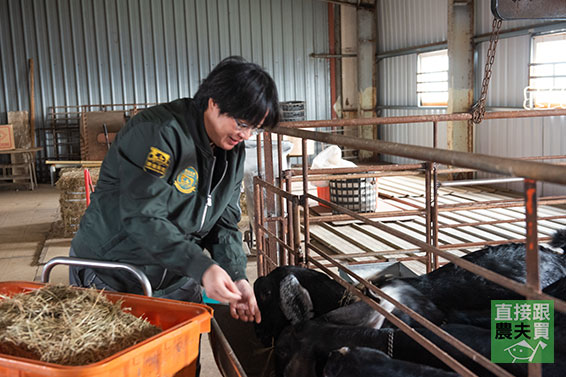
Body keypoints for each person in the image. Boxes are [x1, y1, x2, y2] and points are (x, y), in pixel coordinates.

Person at [69, 56, 280, 324]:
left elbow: (224, 222)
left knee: (180, 360)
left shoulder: (231, 152)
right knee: (124, 362)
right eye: (242, 123)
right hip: (116, 271)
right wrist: (202, 268)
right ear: (214, 102)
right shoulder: (159, 134)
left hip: (176, 274)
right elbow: (143, 218)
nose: (246, 136)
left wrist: (236, 275)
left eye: (255, 128)